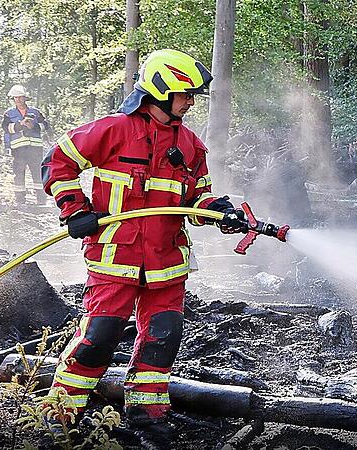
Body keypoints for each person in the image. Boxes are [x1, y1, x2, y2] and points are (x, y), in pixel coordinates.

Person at [41, 49, 246, 446]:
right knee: (100, 334)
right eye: (186, 94)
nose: (190, 102)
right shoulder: (112, 130)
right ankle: (60, 413)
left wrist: (219, 212)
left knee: (163, 335)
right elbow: (57, 162)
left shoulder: (192, 146)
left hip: (167, 263)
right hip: (115, 256)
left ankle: (146, 412)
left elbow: (195, 203)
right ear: (161, 90)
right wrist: (74, 209)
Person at [2, 85, 51, 205]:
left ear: (25, 98)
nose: (18, 100)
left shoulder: (35, 112)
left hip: (35, 149)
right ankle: (20, 200)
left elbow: (46, 126)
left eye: (20, 97)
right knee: (19, 174)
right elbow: (6, 128)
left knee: (38, 173)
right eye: (15, 98)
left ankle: (41, 199)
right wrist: (19, 125)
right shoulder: (9, 114)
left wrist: (33, 126)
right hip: (19, 150)